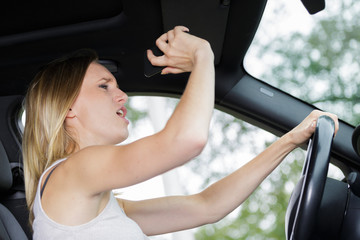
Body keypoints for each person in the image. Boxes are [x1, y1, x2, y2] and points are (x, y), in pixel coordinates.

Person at [23, 26, 338, 239]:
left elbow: (207, 205)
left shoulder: (101, 204)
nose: (122, 96)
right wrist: (202, 56)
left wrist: (289, 141)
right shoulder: (73, 171)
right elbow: (186, 140)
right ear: (68, 109)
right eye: (104, 86)